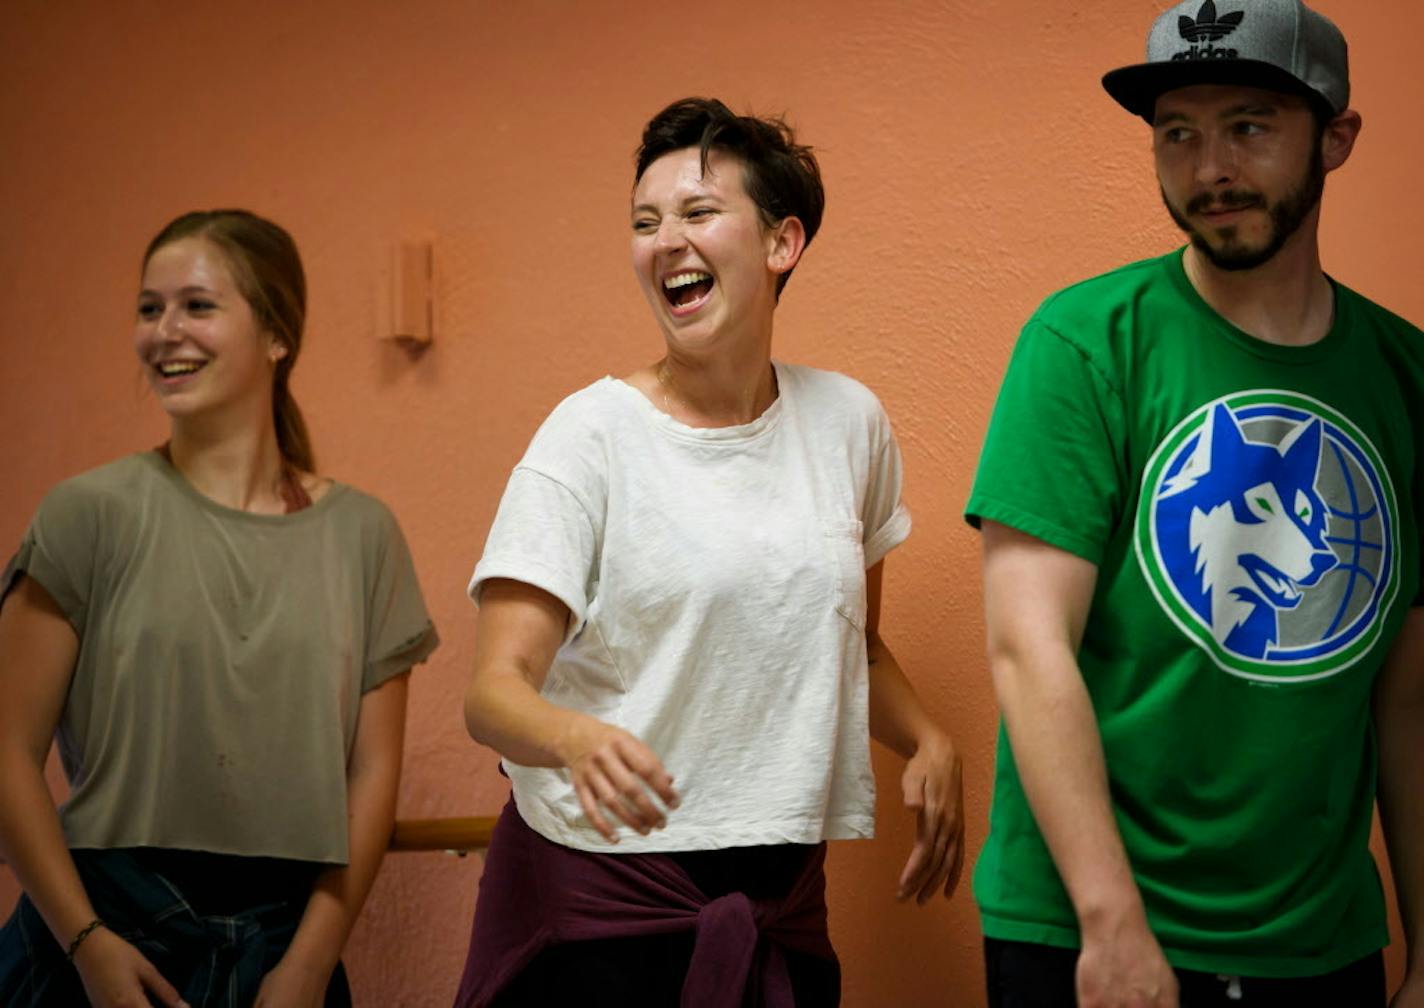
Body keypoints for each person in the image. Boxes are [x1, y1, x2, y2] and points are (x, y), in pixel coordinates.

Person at [455, 97, 964, 1007]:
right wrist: (574, 735)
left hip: (780, 903)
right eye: (645, 223)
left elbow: (857, 646)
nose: (664, 242)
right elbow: (493, 694)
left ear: (782, 244)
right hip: (597, 912)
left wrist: (927, 738)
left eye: (696, 213)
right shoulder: (589, 436)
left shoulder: (849, 424)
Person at [966, 1, 1424, 1005]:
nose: (1208, 166)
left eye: (1248, 126)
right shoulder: (1084, 342)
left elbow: (1406, 693)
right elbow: (1025, 644)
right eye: (1176, 132)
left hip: (1319, 937)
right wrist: (1109, 923)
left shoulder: (1403, 375)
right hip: (1089, 929)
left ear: (1334, 139)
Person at [0, 209, 439, 1008]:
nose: (164, 332)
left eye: (197, 306)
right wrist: (88, 946)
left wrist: (310, 963)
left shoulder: (364, 535)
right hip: (101, 932)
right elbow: (4, 749)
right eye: (148, 308)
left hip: (285, 944)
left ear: (277, 335)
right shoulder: (85, 514)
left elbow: (371, 775)